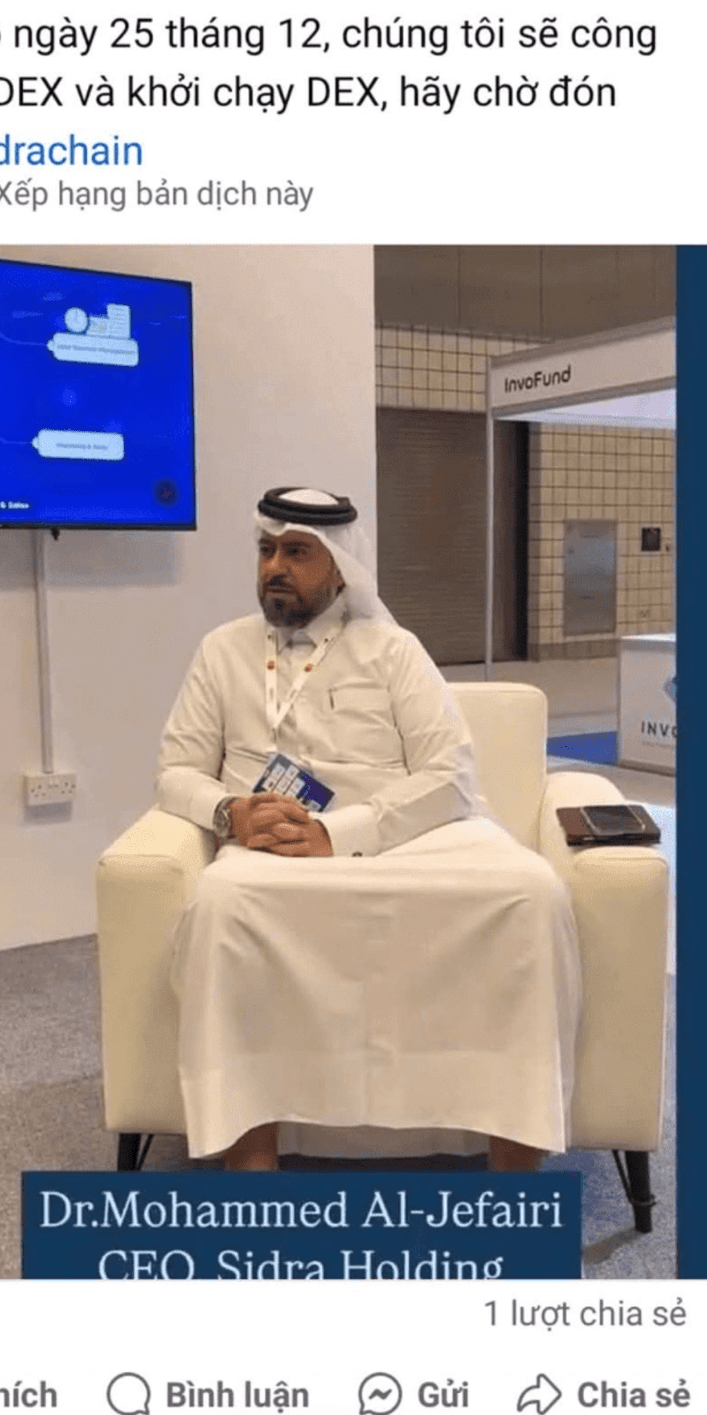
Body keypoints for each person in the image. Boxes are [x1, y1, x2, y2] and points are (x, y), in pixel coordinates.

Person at [156, 487, 581, 1173]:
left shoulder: (393, 650)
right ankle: (252, 1173)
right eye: (267, 551)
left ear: (341, 567)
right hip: (272, 844)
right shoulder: (222, 651)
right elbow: (176, 772)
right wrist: (229, 812)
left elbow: (448, 775)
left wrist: (341, 833)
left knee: (532, 896)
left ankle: (513, 1179)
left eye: (297, 552)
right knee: (220, 905)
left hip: (405, 832)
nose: (275, 567)